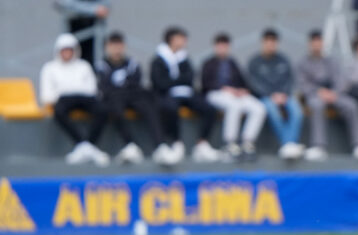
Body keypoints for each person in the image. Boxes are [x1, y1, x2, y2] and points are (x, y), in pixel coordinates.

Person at [95, 32, 176, 165]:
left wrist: (123, 88)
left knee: (149, 105)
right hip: (114, 98)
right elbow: (104, 87)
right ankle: (130, 145)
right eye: (113, 46)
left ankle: (160, 146)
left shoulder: (132, 63)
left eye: (119, 45)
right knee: (114, 106)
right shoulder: (101, 65)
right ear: (107, 47)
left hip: (132, 96)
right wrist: (121, 88)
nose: (116, 49)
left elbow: (136, 83)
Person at [150, 26, 222, 163]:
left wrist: (173, 81)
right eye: (181, 38)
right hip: (168, 95)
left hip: (187, 93)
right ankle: (176, 143)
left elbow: (190, 77)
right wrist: (177, 81)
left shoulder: (184, 58)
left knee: (209, 108)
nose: (184, 41)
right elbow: (160, 83)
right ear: (172, 39)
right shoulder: (158, 60)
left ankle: (202, 143)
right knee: (169, 108)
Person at [296, 29, 358, 161]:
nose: (317, 45)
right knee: (316, 106)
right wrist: (319, 92)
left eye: (319, 42)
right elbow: (303, 84)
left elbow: (342, 80)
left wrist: (334, 92)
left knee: (352, 105)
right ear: (310, 44)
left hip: (335, 95)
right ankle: (318, 146)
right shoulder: (303, 63)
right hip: (315, 95)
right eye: (314, 42)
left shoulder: (331, 61)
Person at [39, 33, 109, 166]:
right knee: (58, 111)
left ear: (75, 51)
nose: (67, 53)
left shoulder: (84, 66)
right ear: (58, 51)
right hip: (63, 100)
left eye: (69, 50)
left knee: (102, 109)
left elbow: (92, 89)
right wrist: (61, 94)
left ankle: (85, 146)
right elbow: (46, 95)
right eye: (64, 50)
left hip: (85, 98)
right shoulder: (49, 68)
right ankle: (85, 146)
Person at [201, 33, 266, 162]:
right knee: (234, 106)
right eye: (220, 45)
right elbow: (205, 84)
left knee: (259, 107)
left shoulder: (232, 63)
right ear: (215, 47)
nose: (223, 48)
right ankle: (230, 143)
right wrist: (224, 88)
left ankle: (247, 142)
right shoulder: (208, 63)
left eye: (225, 46)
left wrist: (242, 90)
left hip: (235, 94)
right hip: (215, 94)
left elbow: (243, 81)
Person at [248, 29, 305, 160]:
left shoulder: (283, 60)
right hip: (265, 98)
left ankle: (289, 145)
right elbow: (253, 83)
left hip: (284, 96)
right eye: (268, 42)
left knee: (297, 110)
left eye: (273, 42)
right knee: (272, 110)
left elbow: (290, 80)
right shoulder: (255, 62)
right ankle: (289, 144)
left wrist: (283, 94)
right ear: (263, 43)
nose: (270, 45)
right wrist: (271, 95)